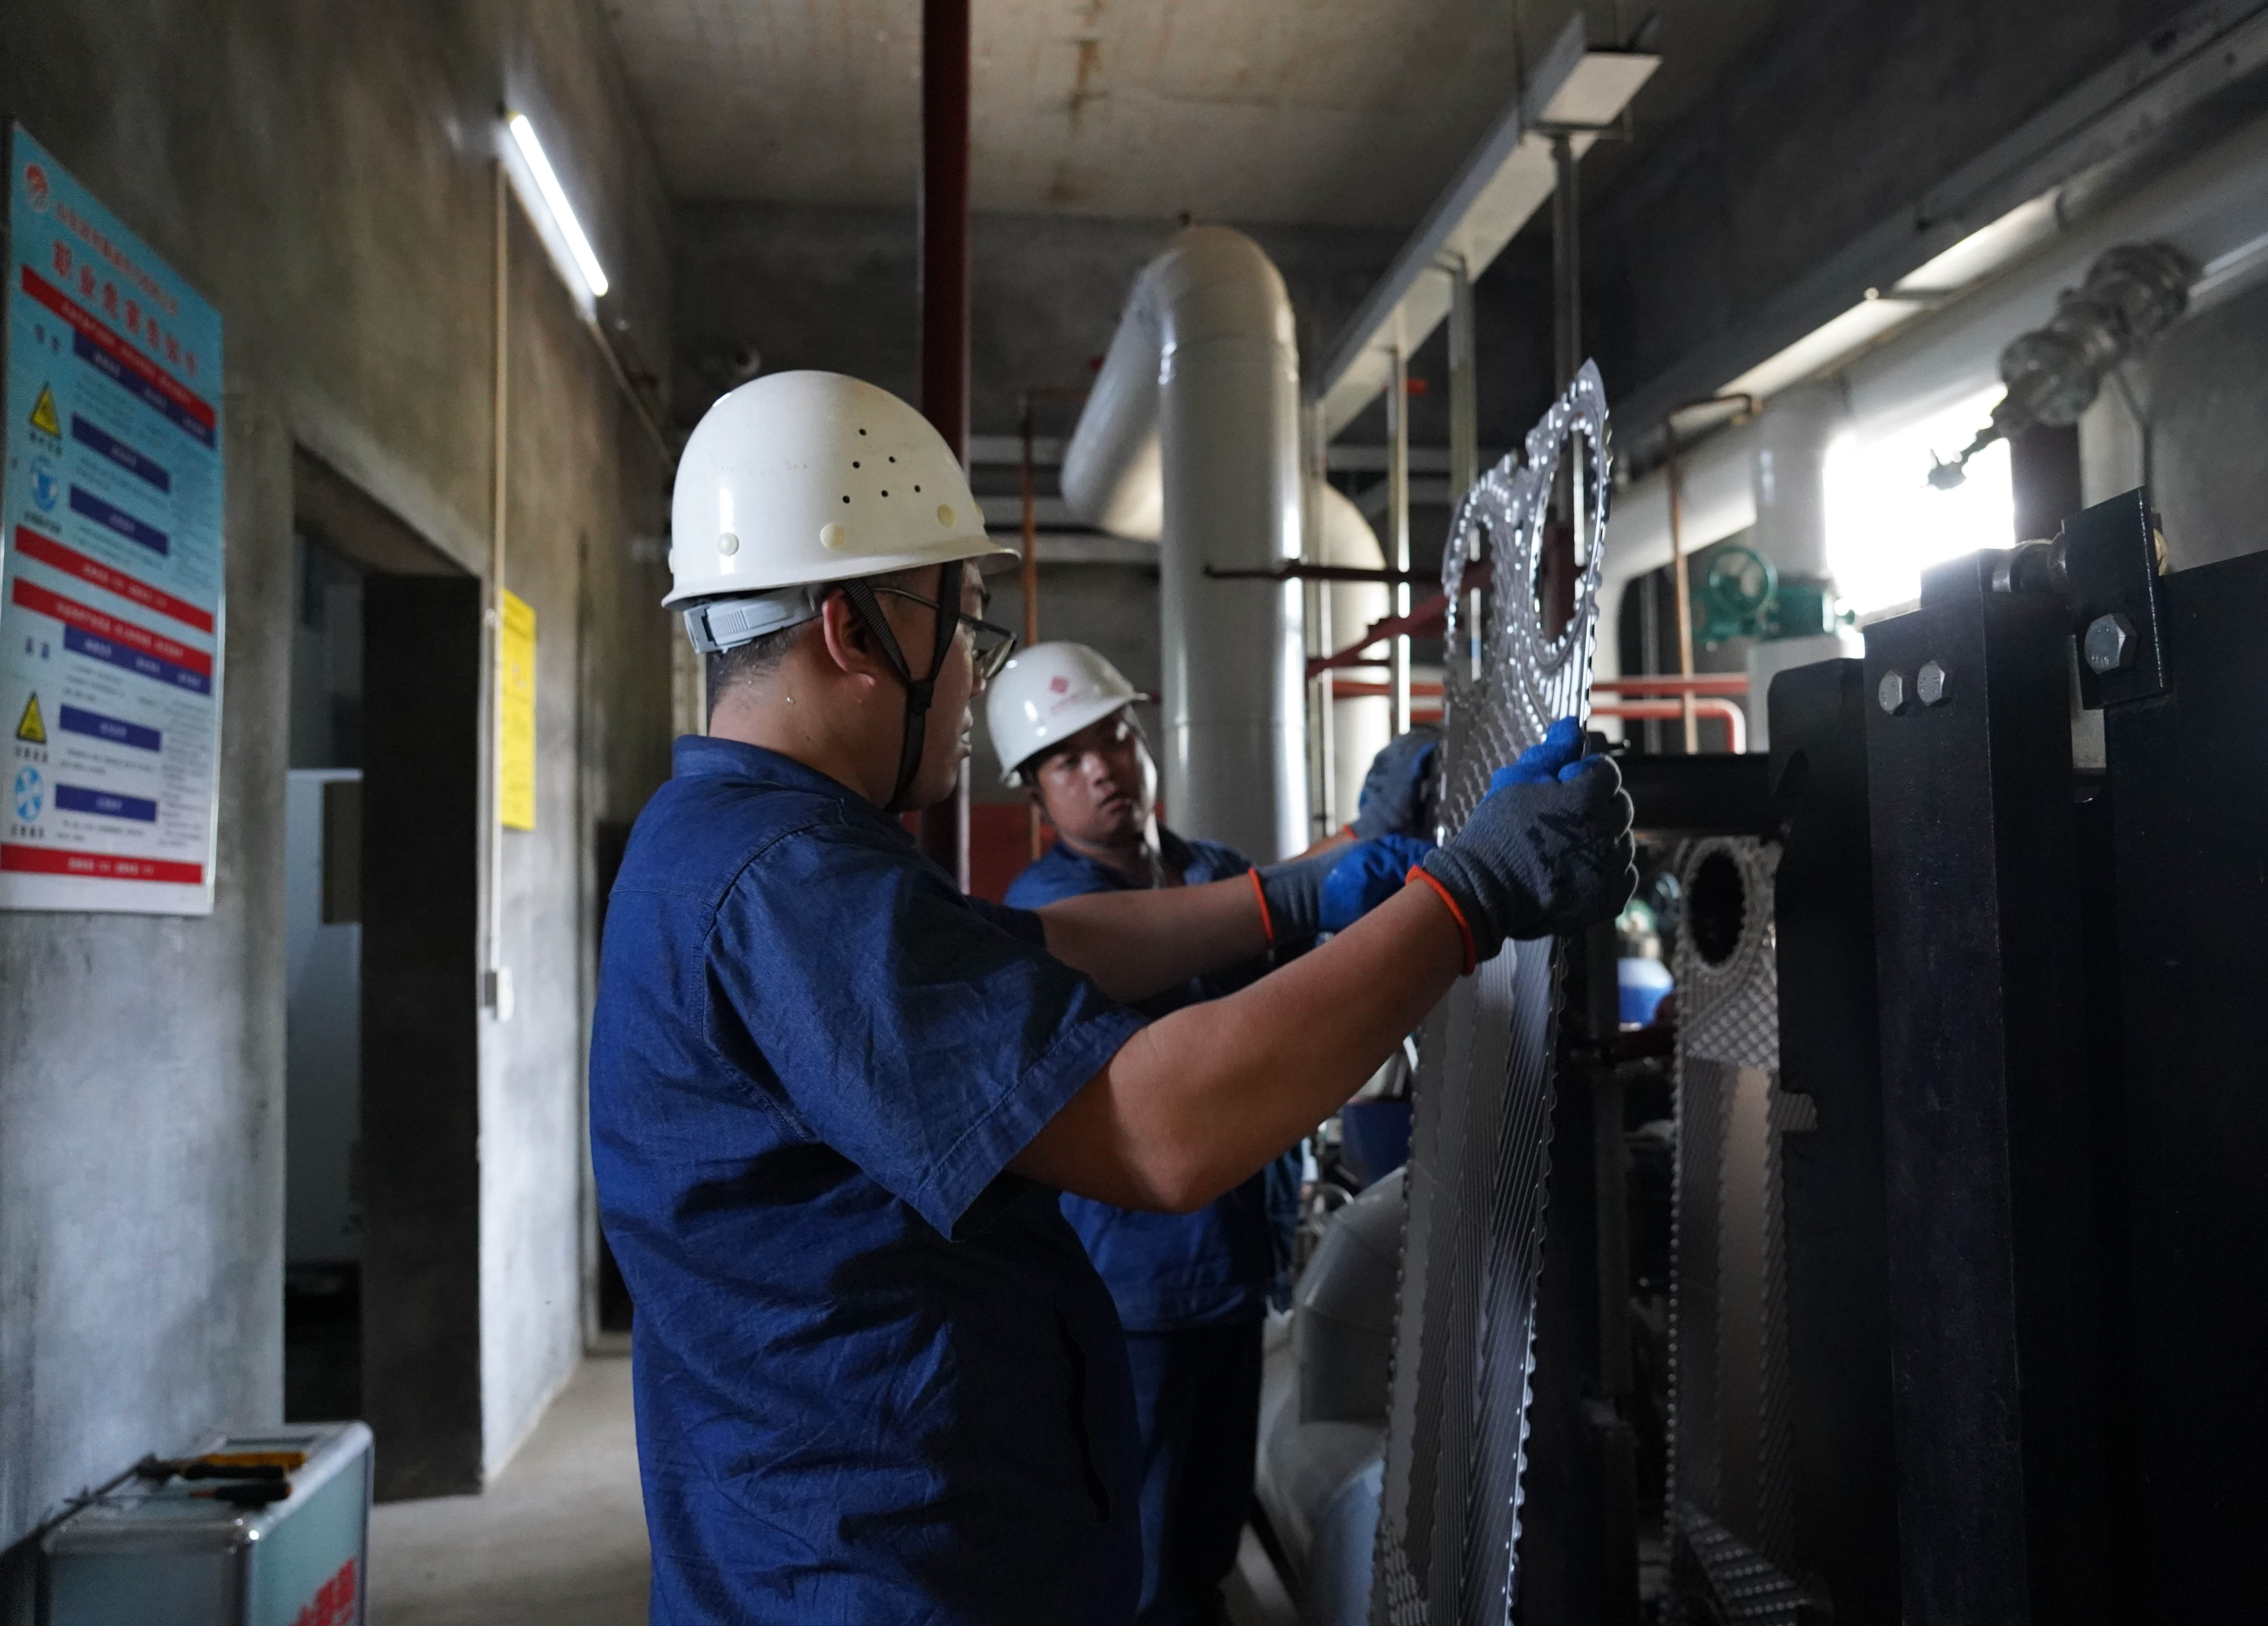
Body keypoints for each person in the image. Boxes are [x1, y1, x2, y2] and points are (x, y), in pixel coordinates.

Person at [591, 370, 1636, 1626]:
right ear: (852, 632)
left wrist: (1294, 897)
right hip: (887, 1578)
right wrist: (1469, 899)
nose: (971, 677)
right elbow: (1158, 1130)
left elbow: (1040, 948)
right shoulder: (788, 881)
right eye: (961, 626)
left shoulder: (731, 842)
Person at [987, 645, 1434, 1625]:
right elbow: (1196, 929)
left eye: (1114, 735)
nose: (1103, 767)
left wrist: (1369, 840)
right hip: (1130, 1291)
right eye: (1067, 759)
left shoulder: (1211, 871)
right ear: (1036, 793)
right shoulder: (1046, 914)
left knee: (1205, 1537)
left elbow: (1278, 908)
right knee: (1141, 1557)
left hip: (1234, 1264)